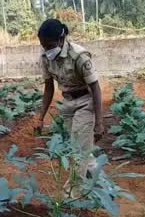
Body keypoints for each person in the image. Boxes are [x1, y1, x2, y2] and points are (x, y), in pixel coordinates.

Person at [34, 18, 105, 197]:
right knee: (82, 148)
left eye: (49, 45)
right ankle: (103, 185)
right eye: (43, 46)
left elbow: (96, 89)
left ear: (60, 39)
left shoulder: (79, 56)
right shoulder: (45, 58)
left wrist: (99, 122)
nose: (47, 50)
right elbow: (49, 87)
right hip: (67, 104)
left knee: (78, 150)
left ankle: (72, 193)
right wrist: (40, 117)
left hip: (85, 102)